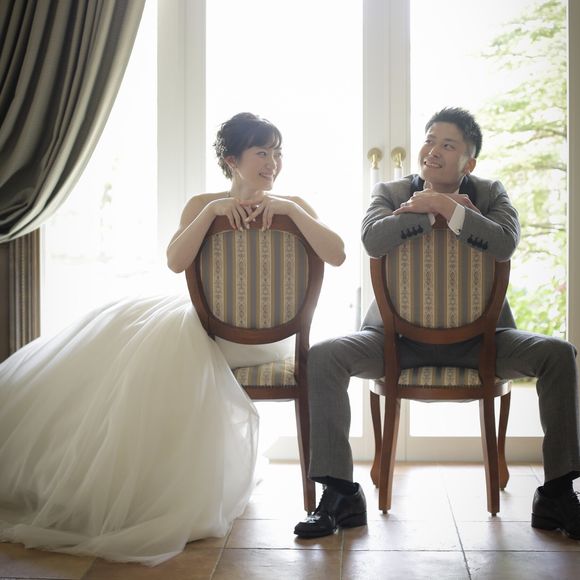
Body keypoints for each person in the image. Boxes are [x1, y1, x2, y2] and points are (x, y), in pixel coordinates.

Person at [0, 112, 345, 565]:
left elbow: (337, 254)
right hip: (212, 332)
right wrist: (211, 213)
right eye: (262, 152)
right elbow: (175, 262)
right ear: (232, 160)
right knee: (137, 346)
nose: (272, 163)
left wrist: (292, 211)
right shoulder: (203, 204)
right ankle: (137, 489)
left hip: (272, 339)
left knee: (163, 350)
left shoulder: (293, 204)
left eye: (277, 153)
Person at [294, 106, 580, 541]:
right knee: (324, 356)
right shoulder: (389, 192)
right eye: (429, 140)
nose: (433, 150)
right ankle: (339, 495)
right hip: (394, 341)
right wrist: (432, 211)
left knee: (559, 355)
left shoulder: (491, 193)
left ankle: (557, 495)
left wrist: (448, 206)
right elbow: (373, 239)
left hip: (484, 342)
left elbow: (504, 244)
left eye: (448, 145)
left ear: (469, 162)